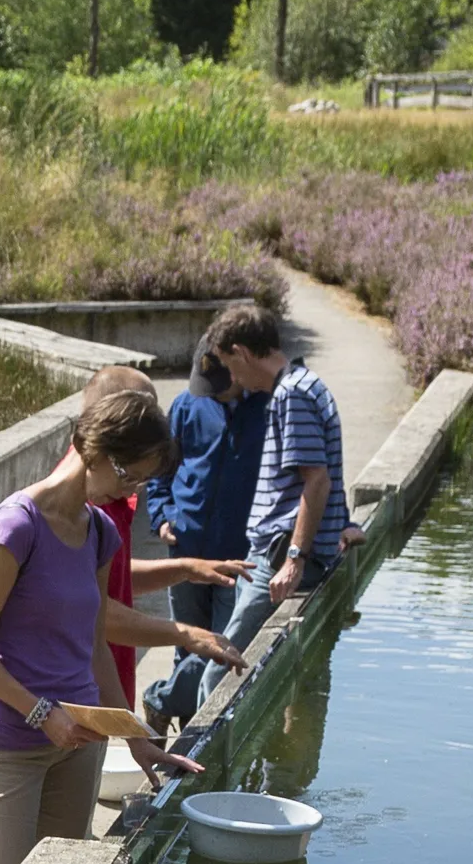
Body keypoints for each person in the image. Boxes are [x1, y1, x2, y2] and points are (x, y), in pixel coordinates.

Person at [0, 374, 225, 864]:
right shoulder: (17, 526)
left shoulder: (101, 530)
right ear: (90, 447)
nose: (129, 490)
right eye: (126, 473)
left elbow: (95, 644)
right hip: (9, 746)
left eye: (139, 481)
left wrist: (137, 739)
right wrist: (40, 712)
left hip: (79, 743)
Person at [145, 303, 290, 732]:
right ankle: (190, 724)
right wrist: (162, 517)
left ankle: (159, 699)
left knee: (219, 646)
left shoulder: (267, 409)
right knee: (184, 638)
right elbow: (162, 471)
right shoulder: (187, 407)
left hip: (238, 556)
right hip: (185, 546)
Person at [79, 363, 243, 712]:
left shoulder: (115, 498)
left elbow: (114, 581)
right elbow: (89, 610)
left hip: (105, 698)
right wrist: (185, 634)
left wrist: (185, 568)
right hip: (78, 699)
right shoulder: (87, 506)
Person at [219, 339, 368, 669]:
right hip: (276, 552)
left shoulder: (292, 393)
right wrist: (340, 520)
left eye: (230, 366)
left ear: (241, 351)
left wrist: (294, 559)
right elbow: (325, 465)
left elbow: (317, 479)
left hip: (277, 556)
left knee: (221, 671)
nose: (233, 378)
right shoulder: (305, 382)